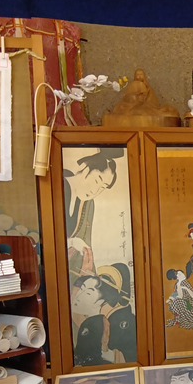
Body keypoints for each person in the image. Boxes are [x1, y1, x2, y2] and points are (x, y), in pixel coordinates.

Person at [64, 150, 119, 284]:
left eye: (102, 187)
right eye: (96, 180)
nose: (95, 191)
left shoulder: (86, 203)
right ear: (85, 168)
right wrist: (72, 242)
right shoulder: (58, 185)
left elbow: (85, 241)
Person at [96, 263, 137, 364]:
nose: (97, 286)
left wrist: (106, 352)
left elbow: (130, 355)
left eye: (102, 283)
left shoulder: (126, 321)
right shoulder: (105, 313)